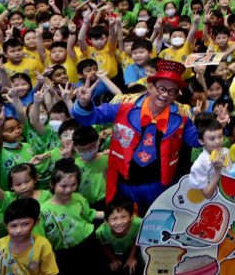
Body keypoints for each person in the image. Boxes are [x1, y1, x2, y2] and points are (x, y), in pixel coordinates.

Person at [70, 59, 201, 213]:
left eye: (172, 91)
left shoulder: (181, 117)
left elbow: (197, 140)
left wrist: (217, 129)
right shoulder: (124, 106)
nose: (165, 94)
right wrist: (84, 103)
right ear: (150, 87)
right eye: (161, 88)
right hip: (125, 185)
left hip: (159, 185)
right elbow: (90, 117)